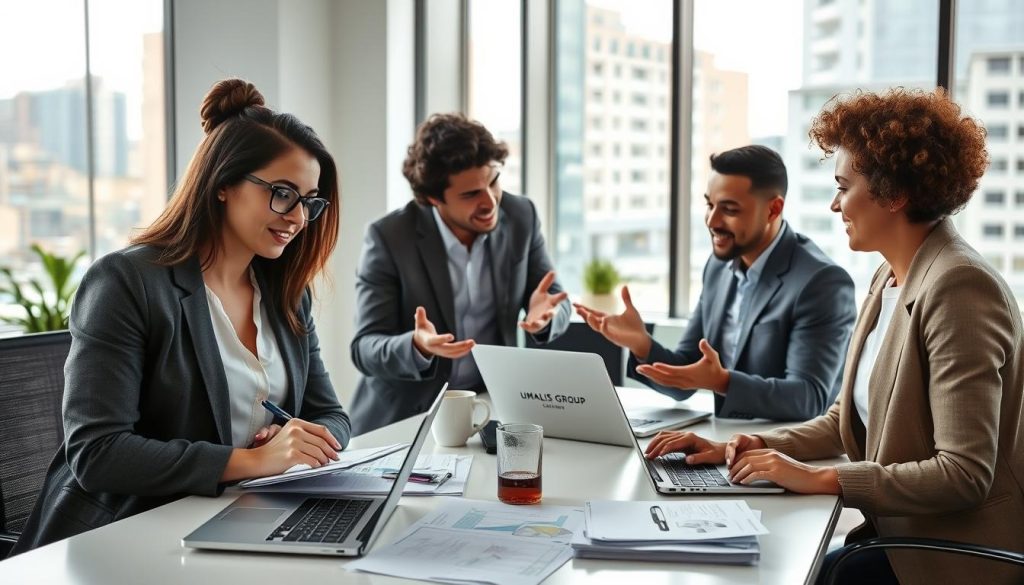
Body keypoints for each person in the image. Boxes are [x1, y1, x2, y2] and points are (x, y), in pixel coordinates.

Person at [644, 89, 1024, 585]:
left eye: (844, 186)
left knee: (789, 573)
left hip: (952, 554)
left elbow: (963, 473)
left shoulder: (959, 287)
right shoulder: (889, 278)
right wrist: (750, 445)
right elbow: (847, 421)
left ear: (894, 195)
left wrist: (822, 477)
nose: (834, 203)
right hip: (895, 533)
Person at [11, 79, 351, 554]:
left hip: (238, 519)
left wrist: (295, 439)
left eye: (310, 200)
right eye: (281, 192)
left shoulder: (287, 296)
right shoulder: (127, 282)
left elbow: (331, 415)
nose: (296, 216)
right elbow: (98, 453)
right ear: (223, 185)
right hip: (130, 535)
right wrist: (251, 461)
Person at [576, 145, 856, 421]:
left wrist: (722, 382)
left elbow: (809, 398)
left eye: (729, 210)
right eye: (710, 205)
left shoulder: (821, 282)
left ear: (773, 209)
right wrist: (642, 344)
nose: (712, 220)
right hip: (725, 440)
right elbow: (688, 369)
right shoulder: (718, 267)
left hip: (786, 454)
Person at [349, 113, 571, 434]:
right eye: (470, 195)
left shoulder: (522, 215)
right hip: (407, 419)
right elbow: (365, 348)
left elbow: (555, 299)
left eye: (493, 182)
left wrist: (547, 316)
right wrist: (417, 346)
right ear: (433, 199)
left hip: (489, 409)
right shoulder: (389, 237)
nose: (490, 202)